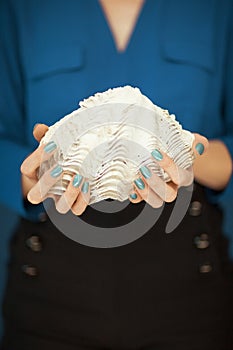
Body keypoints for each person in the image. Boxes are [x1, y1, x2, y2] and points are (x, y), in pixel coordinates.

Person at [0, 0, 233, 349]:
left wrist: (185, 154)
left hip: (189, 284)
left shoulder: (216, 8)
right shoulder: (22, 8)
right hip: (50, 284)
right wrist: (38, 175)